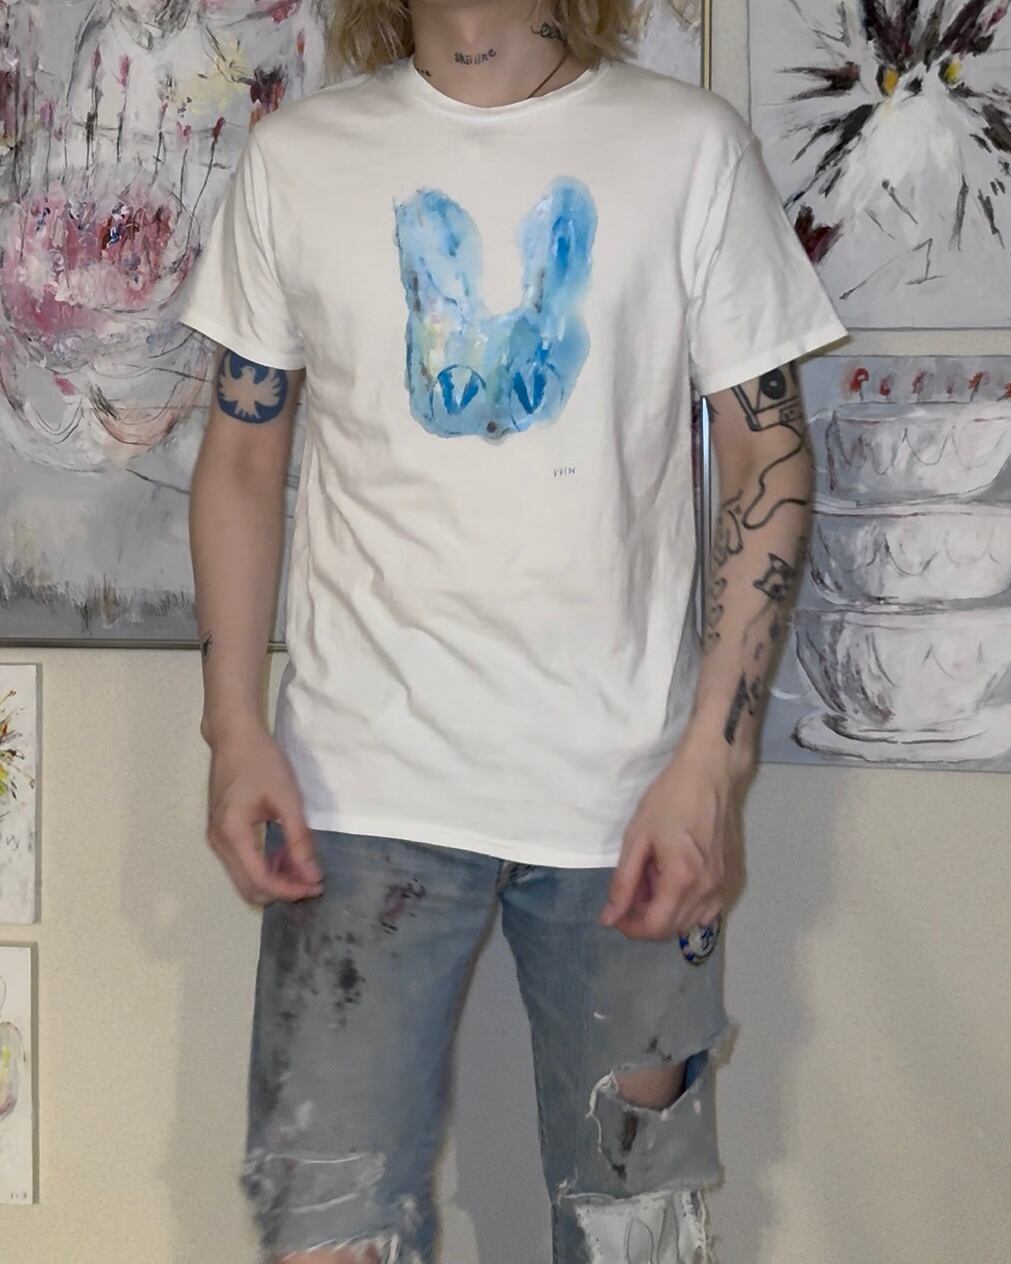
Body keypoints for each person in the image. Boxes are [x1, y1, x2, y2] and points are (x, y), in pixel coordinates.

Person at [179, 2, 847, 1261]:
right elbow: (243, 457)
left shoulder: (687, 148)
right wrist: (231, 729)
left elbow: (766, 453)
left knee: (637, 1232)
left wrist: (716, 763)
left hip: (630, 797)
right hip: (355, 795)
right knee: (324, 1230)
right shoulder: (297, 160)